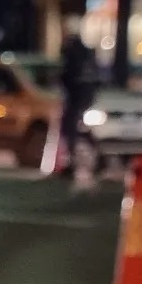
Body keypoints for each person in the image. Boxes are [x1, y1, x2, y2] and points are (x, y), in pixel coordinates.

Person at [58, 15, 99, 179]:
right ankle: (95, 158)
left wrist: (61, 83)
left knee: (69, 129)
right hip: (88, 97)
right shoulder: (87, 51)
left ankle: (73, 162)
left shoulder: (70, 50)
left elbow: (67, 74)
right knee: (84, 129)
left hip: (75, 97)